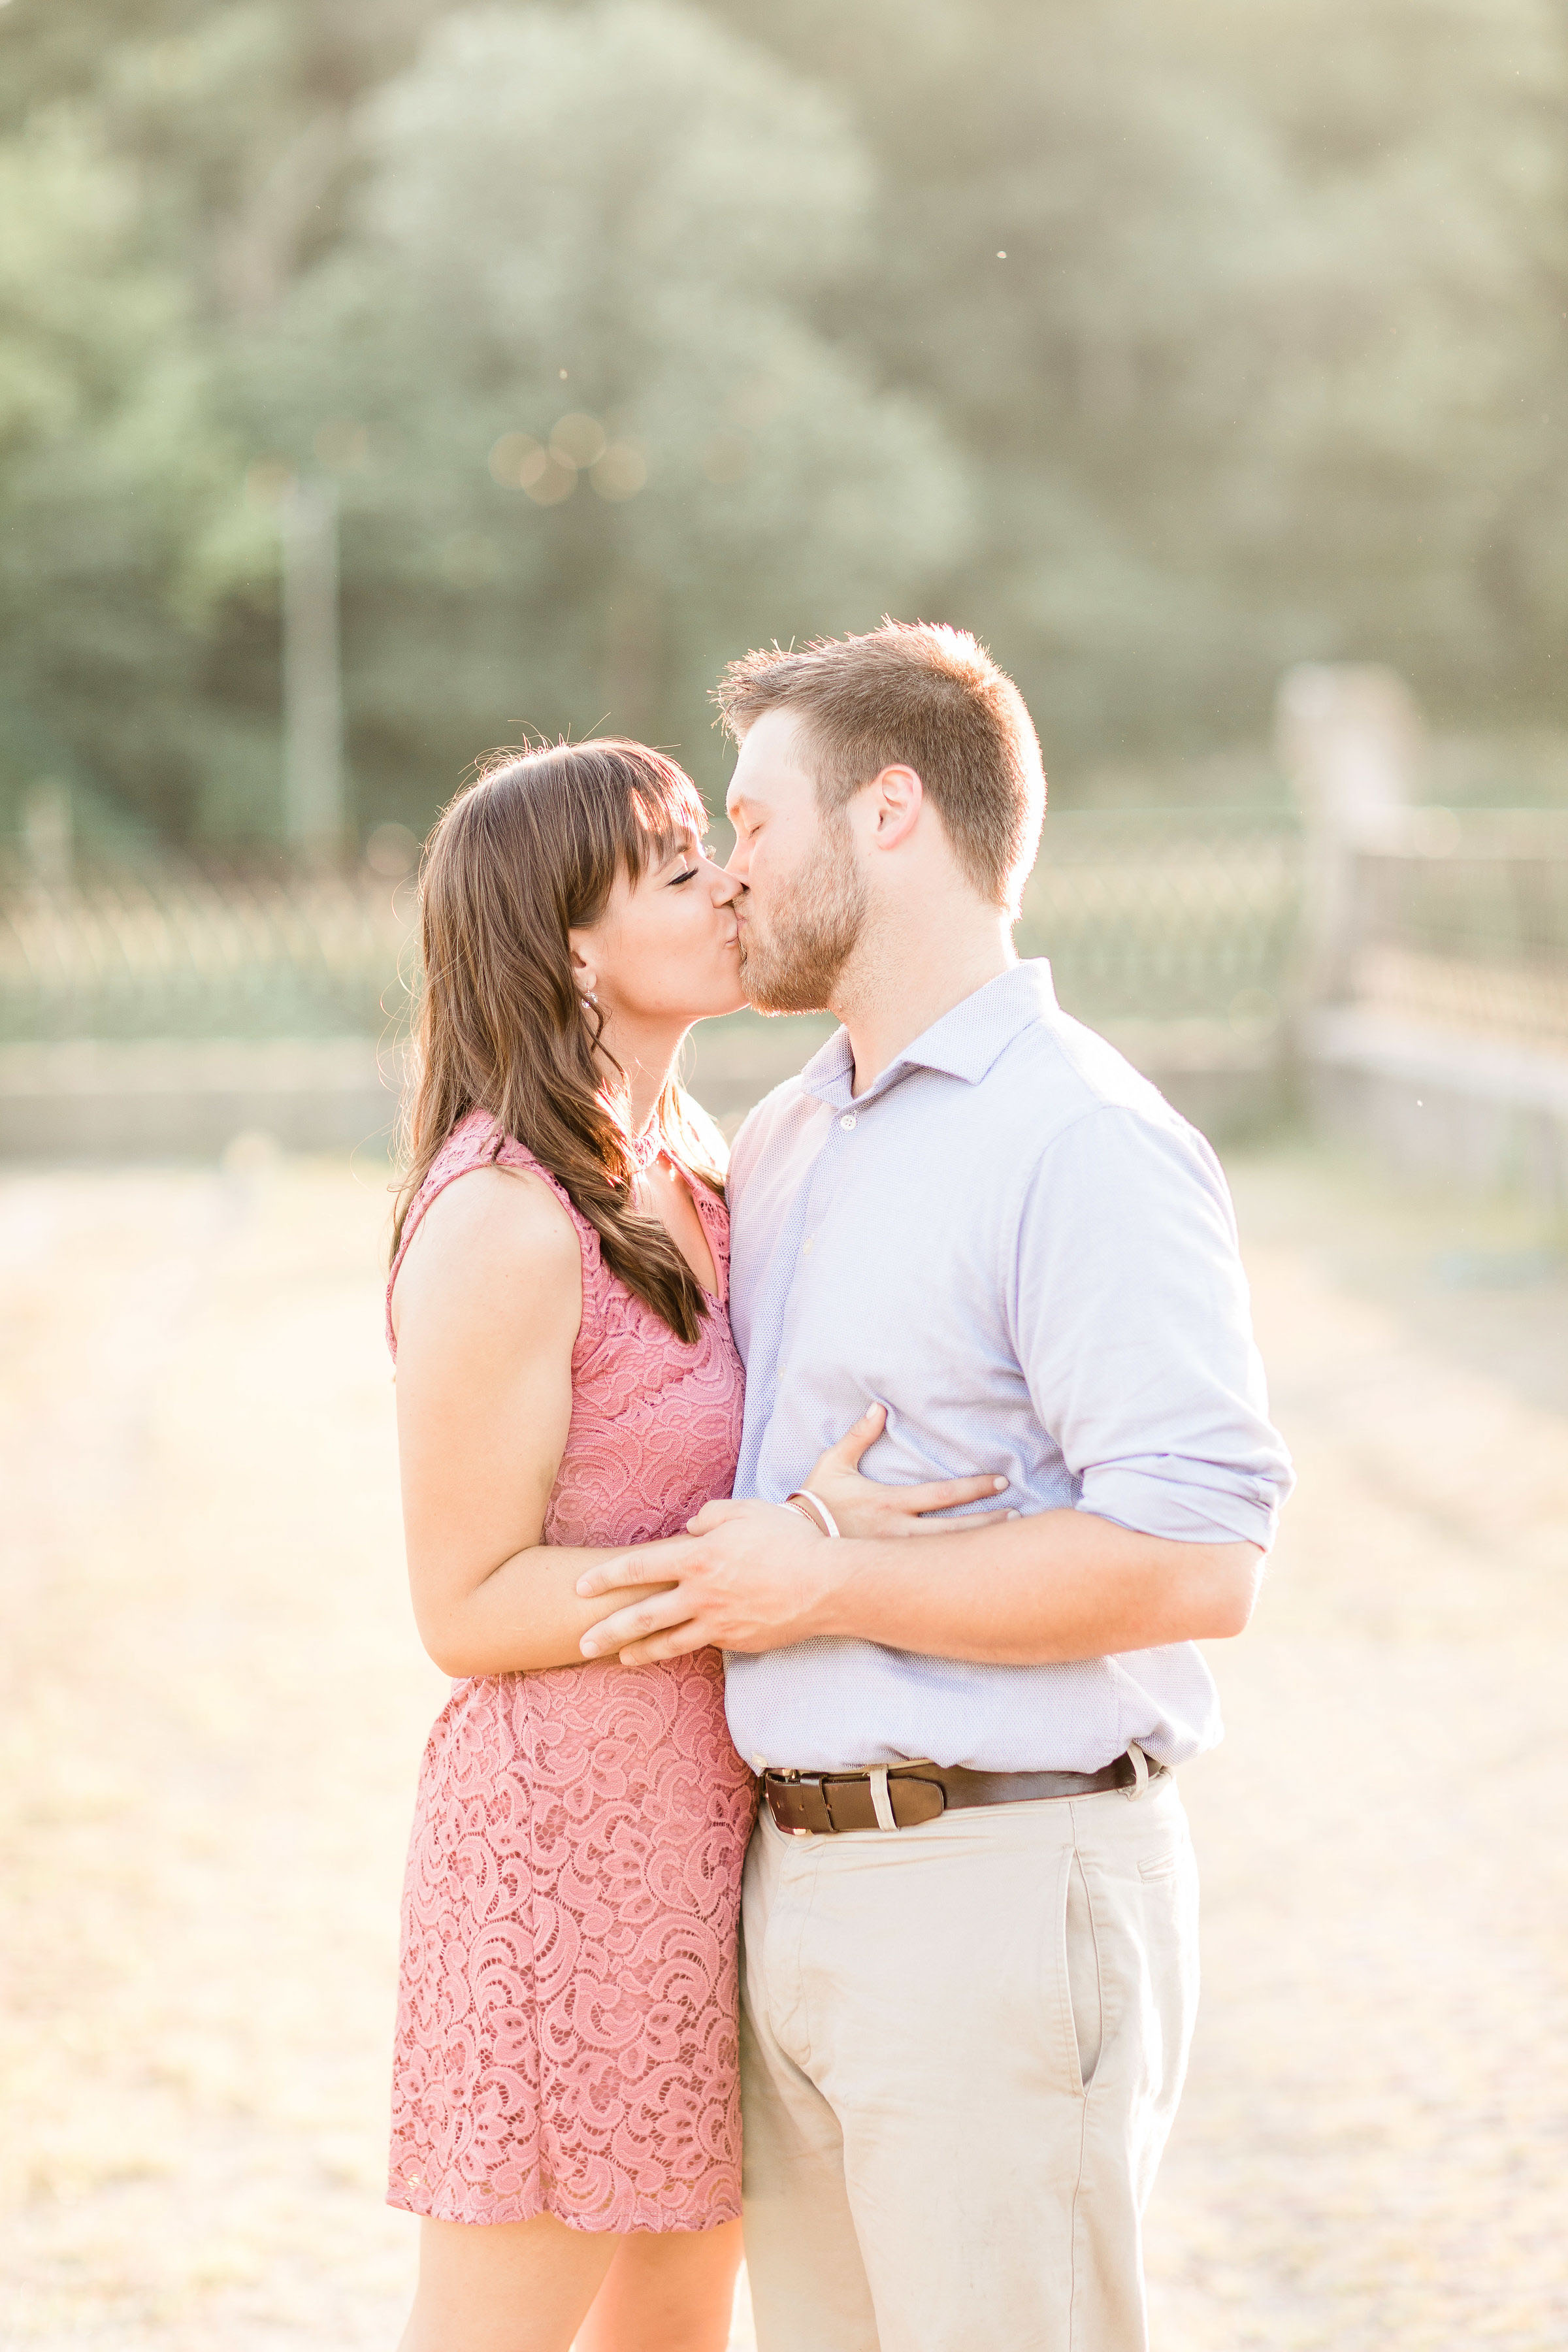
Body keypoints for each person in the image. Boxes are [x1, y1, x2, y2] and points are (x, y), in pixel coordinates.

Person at [576, 625, 1297, 2352]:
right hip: (797, 1897)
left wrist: (828, 1586)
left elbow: (1201, 1556)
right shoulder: (790, 1133)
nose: (726, 872)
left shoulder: (1081, 1141)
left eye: (752, 821)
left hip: (1000, 1879)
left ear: (889, 812)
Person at [384, 738, 1006, 2352]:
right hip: (564, 1855)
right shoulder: (505, 1219)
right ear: (572, 943)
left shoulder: (713, 1173)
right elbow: (461, 1602)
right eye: (678, 870)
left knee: (673, 2331)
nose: (730, 882)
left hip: (721, 1847)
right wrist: (780, 1553)